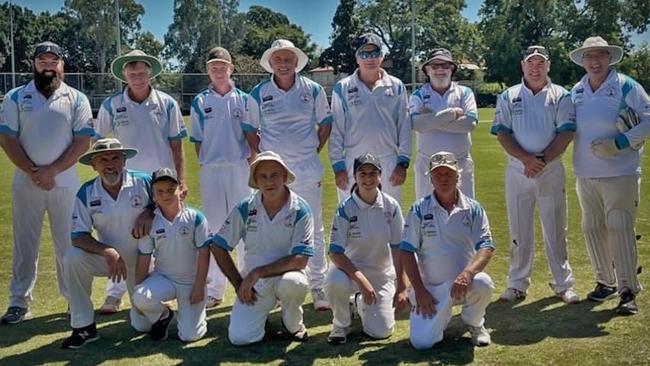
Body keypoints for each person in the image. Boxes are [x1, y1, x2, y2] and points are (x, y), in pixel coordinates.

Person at [0, 41, 93, 325]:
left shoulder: (77, 98)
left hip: (65, 184)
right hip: (26, 182)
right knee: (25, 244)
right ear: (35, 63)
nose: (48, 65)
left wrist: (51, 171)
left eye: (54, 60)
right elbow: (7, 139)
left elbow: (82, 142)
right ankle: (19, 302)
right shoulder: (16, 97)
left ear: (62, 64)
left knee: (68, 244)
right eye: (43, 60)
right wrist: (34, 172)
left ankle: (73, 299)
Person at [94, 49, 187, 314]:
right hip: (125, 183)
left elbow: (177, 144)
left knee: (161, 237)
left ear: (150, 73)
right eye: (131, 72)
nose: (137, 76)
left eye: (141, 71)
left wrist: (180, 181)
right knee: (120, 236)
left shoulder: (166, 102)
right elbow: (97, 142)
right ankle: (114, 294)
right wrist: (105, 174)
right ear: (124, 74)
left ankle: (160, 289)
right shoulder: (112, 104)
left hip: (162, 183)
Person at [243, 39, 331, 310]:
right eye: (278, 59)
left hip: (306, 169)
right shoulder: (258, 93)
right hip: (273, 175)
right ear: (271, 63)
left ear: (296, 62)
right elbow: (249, 128)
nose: (283, 63)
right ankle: (279, 287)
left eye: (288, 59)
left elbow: (326, 123)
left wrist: (312, 150)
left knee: (313, 227)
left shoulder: (313, 89)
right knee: (276, 230)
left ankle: (318, 286)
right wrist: (265, 158)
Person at [491, 45, 579, 304]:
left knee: (555, 228)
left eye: (541, 62)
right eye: (531, 62)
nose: (535, 67)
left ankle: (563, 284)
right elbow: (503, 133)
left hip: (550, 170)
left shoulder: (561, 95)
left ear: (548, 66)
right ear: (523, 65)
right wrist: (526, 160)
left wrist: (539, 161)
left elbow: (566, 133)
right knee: (519, 227)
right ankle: (517, 283)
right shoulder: (509, 96)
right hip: (518, 170)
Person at [569, 36, 650, 315]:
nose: (595, 61)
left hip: (620, 172)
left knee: (618, 226)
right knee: (592, 227)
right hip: (585, 172)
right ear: (582, 60)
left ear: (609, 58)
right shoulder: (577, 90)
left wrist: (620, 143)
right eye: (589, 56)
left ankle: (628, 290)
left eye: (600, 55)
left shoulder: (626, 85)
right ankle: (605, 281)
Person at [211, 151, 314, 345]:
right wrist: (239, 284)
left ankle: (293, 323)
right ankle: (262, 317)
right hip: (255, 284)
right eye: (263, 176)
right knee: (240, 338)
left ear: (284, 177)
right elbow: (218, 246)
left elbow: (301, 259)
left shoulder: (301, 209)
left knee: (293, 283)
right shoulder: (245, 207)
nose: (269, 181)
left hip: (288, 276)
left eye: (275, 175)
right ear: (256, 181)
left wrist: (258, 272)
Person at [61, 138, 154, 349]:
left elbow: (170, 204)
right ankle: (83, 326)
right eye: (103, 159)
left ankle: (155, 307)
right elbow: (78, 236)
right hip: (112, 263)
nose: (110, 164)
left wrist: (149, 211)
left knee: (144, 326)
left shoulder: (144, 181)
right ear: (93, 165)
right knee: (73, 258)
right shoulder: (86, 192)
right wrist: (107, 251)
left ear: (124, 161)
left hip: (145, 261)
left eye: (115, 158)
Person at [400, 151, 495, 349]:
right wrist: (419, 290)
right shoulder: (418, 209)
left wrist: (468, 273)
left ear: (458, 176)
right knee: (421, 343)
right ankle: (441, 317)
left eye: (448, 173)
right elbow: (407, 252)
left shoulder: (473, 208)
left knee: (483, 283)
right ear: (431, 179)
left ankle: (474, 323)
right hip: (430, 290)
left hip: (465, 283)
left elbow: (486, 246)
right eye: (438, 174)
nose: (443, 178)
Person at [190, 47, 251, 308]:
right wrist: (209, 162)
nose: (218, 70)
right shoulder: (200, 101)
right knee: (215, 228)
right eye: (213, 66)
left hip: (240, 169)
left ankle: (250, 281)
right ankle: (216, 289)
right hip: (211, 170)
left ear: (231, 68)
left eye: (222, 65)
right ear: (207, 70)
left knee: (247, 227)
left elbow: (252, 136)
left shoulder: (245, 100)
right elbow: (197, 141)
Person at [325, 153, 407, 345]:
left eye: (373, 173)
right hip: (350, 271)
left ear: (380, 176)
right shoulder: (345, 208)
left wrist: (402, 287)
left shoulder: (391, 206)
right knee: (334, 280)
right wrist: (362, 281)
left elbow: (398, 248)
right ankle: (341, 324)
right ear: (355, 176)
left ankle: (359, 304)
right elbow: (335, 252)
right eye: (363, 173)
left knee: (381, 332)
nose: (368, 179)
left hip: (381, 273)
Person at [329, 32, 411, 202]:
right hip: (353, 161)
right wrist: (338, 167)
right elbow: (336, 130)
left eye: (374, 53)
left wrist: (402, 163)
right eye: (364, 54)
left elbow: (404, 125)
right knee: (351, 220)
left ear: (382, 56)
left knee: (389, 217)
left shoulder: (396, 86)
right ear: (357, 58)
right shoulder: (342, 87)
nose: (370, 58)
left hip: (388, 161)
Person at [131, 168, 211, 342]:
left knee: (190, 336)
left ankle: (193, 313)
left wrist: (199, 286)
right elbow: (144, 257)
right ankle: (164, 315)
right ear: (154, 196)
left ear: (180, 189)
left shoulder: (196, 218)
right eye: (160, 191)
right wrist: (137, 292)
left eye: (170, 189)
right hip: (164, 278)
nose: (166, 195)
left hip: (191, 281)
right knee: (140, 298)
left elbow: (204, 253)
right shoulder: (150, 222)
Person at [409, 48, 478, 199]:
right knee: (427, 216)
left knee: (465, 214)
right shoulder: (418, 95)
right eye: (435, 66)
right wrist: (451, 114)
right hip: (427, 164)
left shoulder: (465, 92)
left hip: (460, 163)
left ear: (452, 69)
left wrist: (430, 119)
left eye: (445, 66)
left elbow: (470, 124)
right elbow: (416, 124)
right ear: (427, 70)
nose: (440, 70)